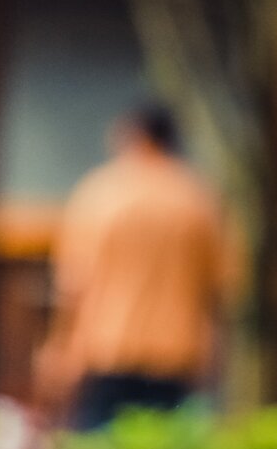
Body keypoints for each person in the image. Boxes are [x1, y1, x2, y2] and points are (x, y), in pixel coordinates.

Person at [41, 104, 233, 430]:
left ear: (133, 136)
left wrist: (59, 346)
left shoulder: (100, 193)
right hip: (178, 351)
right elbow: (221, 285)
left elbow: (72, 283)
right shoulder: (198, 198)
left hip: (106, 347)